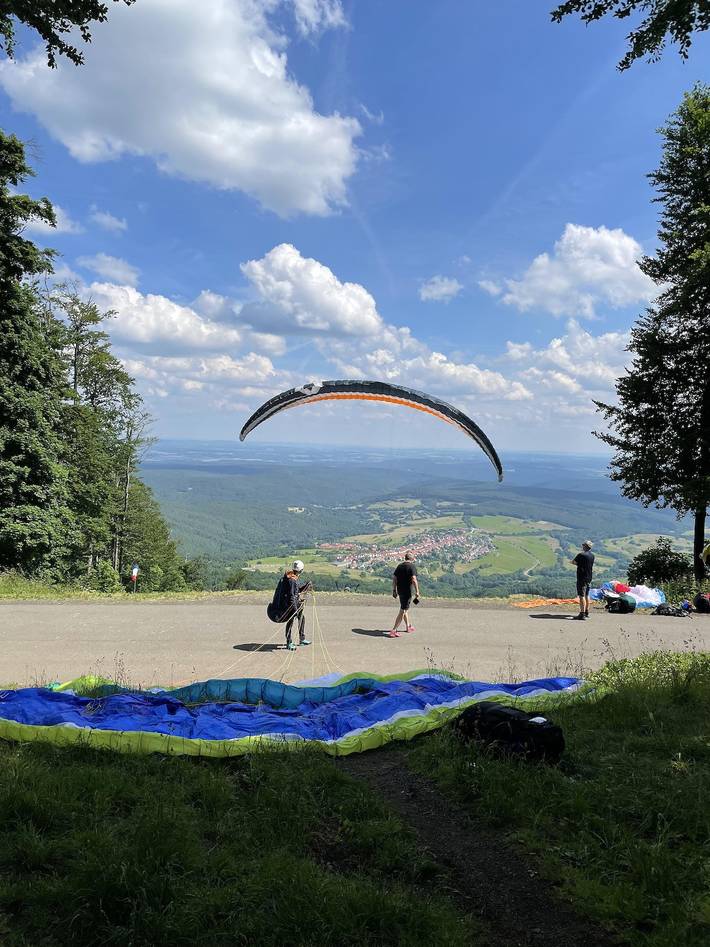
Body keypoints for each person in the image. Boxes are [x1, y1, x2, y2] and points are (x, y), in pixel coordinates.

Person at [267, 560, 312, 650]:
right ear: (301, 570)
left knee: (301, 618)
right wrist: (295, 610)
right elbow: (292, 596)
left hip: (288, 603)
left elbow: (295, 591)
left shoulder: (291, 577)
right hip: (287, 606)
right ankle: (289, 642)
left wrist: (305, 586)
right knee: (291, 621)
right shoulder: (292, 580)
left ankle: (302, 639)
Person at [388, 552, 420, 638]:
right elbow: (414, 579)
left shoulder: (399, 566)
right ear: (412, 559)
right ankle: (394, 630)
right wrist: (417, 591)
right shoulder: (412, 567)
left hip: (400, 590)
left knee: (404, 608)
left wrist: (394, 590)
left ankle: (408, 626)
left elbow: (394, 578)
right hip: (407, 592)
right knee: (402, 610)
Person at [572, 541, 594, 620]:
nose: (582, 546)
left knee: (581, 596)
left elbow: (574, 562)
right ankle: (587, 611)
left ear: (585, 546)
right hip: (589, 577)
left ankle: (582, 614)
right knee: (587, 595)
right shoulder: (592, 555)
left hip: (582, 577)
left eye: (583, 545)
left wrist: (578, 564)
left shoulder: (581, 555)